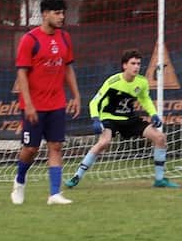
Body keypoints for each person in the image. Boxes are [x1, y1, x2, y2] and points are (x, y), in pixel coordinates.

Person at [66, 49, 174, 189]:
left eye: (138, 64)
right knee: (104, 142)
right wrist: (95, 119)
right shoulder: (113, 81)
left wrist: (153, 114)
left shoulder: (141, 82)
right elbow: (94, 102)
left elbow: (145, 99)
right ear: (124, 65)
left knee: (160, 138)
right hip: (110, 118)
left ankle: (159, 180)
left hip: (129, 118)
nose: (136, 67)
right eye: (133, 63)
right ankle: (76, 176)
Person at [11, 0, 82, 205]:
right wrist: (29, 104)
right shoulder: (30, 40)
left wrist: (76, 95)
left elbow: (68, 67)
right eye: (57, 13)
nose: (62, 17)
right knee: (30, 149)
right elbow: (22, 74)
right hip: (34, 105)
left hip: (57, 103)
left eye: (63, 13)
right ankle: (19, 181)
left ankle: (54, 194)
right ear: (45, 14)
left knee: (56, 146)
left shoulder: (65, 38)